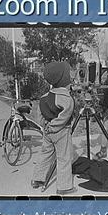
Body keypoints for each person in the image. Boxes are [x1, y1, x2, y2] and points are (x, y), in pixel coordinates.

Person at [31, 61, 77, 195]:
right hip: (61, 132)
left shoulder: (44, 97)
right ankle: (64, 187)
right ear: (64, 79)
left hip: (48, 132)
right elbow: (65, 115)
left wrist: (45, 125)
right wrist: (54, 126)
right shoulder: (66, 98)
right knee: (64, 158)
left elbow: (39, 114)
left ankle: (37, 179)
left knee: (45, 154)